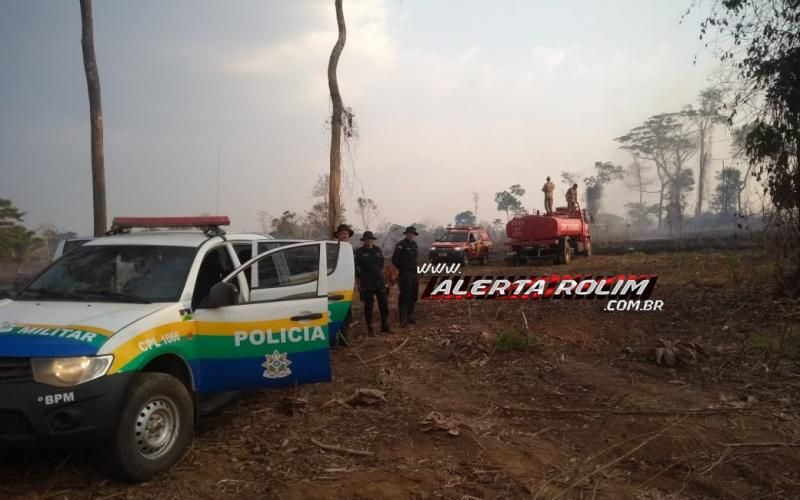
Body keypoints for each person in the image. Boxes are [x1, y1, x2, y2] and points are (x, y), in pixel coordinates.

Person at [354, 231, 391, 335]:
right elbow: (355, 267)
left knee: (384, 305)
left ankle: (385, 326)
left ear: (373, 240)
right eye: (367, 239)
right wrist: (361, 277)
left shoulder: (378, 250)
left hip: (379, 281)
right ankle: (370, 329)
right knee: (369, 307)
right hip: (367, 283)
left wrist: (381, 277)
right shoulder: (359, 252)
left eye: (370, 239)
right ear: (364, 240)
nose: (369, 241)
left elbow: (381, 264)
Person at [391, 226, 419, 327]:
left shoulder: (415, 245)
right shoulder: (401, 245)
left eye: (412, 233)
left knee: (413, 295)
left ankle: (410, 315)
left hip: (414, 273)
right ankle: (403, 318)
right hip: (404, 274)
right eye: (409, 233)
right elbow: (394, 259)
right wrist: (403, 268)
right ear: (406, 234)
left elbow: (415, 259)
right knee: (404, 295)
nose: (411, 235)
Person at [333, 223, 354, 347]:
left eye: (346, 233)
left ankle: (343, 340)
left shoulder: (349, 249)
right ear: (338, 235)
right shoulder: (333, 249)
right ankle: (333, 340)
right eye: (342, 233)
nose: (345, 235)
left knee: (347, 314)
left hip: (347, 287)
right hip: (335, 287)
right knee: (335, 314)